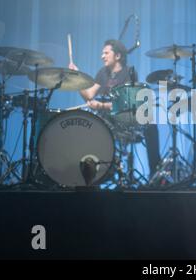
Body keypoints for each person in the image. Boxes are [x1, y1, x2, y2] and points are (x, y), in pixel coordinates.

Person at [69, 39, 161, 178]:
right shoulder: (103, 73)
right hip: (107, 120)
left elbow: (126, 104)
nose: (102, 56)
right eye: (102, 53)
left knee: (151, 125)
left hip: (123, 119)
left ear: (117, 56)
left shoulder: (129, 72)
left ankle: (155, 174)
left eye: (106, 53)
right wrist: (76, 77)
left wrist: (101, 106)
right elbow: (89, 95)